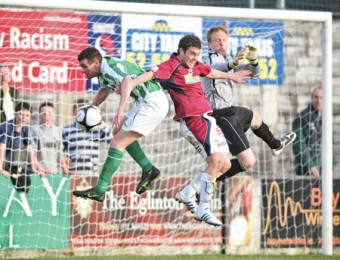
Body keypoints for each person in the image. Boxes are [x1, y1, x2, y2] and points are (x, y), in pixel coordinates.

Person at [113, 34, 252, 226]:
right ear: (180, 52)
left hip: (207, 119)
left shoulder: (195, 65)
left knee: (226, 164)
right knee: (217, 161)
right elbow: (145, 76)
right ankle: (203, 208)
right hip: (194, 121)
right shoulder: (170, 66)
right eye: (191, 54)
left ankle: (187, 193)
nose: (195, 57)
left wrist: (230, 76)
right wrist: (126, 87)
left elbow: (209, 72)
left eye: (197, 54)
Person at [72, 46, 170, 201]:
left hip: (152, 102)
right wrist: (90, 108)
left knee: (117, 143)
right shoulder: (104, 69)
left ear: (96, 63)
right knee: (117, 131)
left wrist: (120, 111)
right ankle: (148, 169)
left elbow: (127, 81)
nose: (83, 71)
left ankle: (99, 190)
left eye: (85, 66)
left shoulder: (110, 68)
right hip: (149, 101)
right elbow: (104, 91)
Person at [201, 25, 297, 181]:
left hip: (229, 111)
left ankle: (275, 145)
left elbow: (254, 73)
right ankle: (205, 184)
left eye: (224, 40)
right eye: (217, 41)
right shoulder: (209, 58)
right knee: (248, 162)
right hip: (219, 116)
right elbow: (212, 68)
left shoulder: (227, 59)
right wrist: (232, 65)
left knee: (256, 118)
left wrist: (254, 61)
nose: (222, 43)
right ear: (210, 44)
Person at [0, 102, 45, 193]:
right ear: (15, 114)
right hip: (2, 160)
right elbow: (2, 148)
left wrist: (34, 168)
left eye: (27, 115)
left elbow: (30, 149)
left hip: (7, 162)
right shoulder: (5, 127)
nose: (24, 117)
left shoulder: (25, 129)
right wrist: (0, 169)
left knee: (24, 184)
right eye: (21, 114)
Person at [62, 98, 112, 175]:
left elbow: (110, 138)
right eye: (79, 109)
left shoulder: (97, 129)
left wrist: (98, 119)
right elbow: (61, 151)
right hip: (72, 173)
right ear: (73, 112)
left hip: (92, 173)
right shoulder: (66, 130)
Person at [292, 87, 322, 177]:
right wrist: (310, 165)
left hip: (323, 168)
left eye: (322, 98)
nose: (319, 100)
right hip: (306, 170)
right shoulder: (302, 117)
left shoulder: (326, 118)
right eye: (316, 97)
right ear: (311, 98)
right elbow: (298, 144)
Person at [30, 102, 64, 174]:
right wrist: (39, 168)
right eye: (44, 113)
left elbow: (60, 154)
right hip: (39, 173)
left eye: (50, 113)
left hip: (54, 173)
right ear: (39, 115)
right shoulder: (34, 130)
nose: (47, 116)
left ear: (54, 115)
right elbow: (32, 153)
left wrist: (65, 170)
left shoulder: (58, 131)